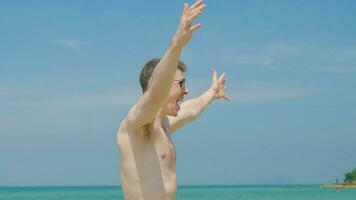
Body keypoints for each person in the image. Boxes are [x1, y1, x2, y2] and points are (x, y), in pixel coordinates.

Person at [116, 0, 229, 199]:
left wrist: (212, 92)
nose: (186, 91)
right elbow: (154, 93)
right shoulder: (138, 123)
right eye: (180, 84)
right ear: (162, 85)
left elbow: (191, 110)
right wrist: (176, 46)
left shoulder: (164, 123)